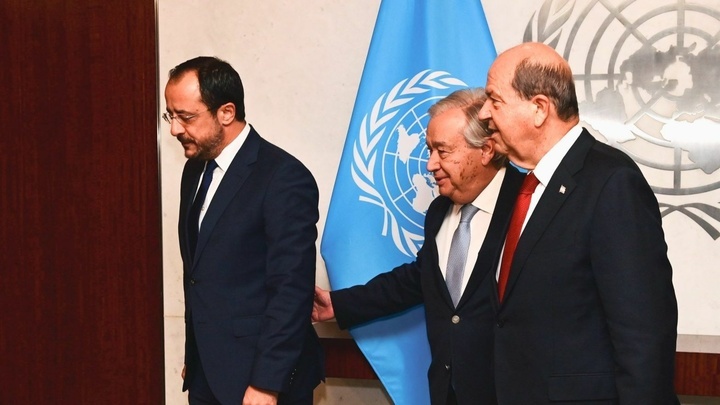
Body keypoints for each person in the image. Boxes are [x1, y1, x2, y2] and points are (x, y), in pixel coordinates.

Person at [477, 42, 679, 404]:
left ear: (539, 108)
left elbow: (644, 335)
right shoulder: (524, 187)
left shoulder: (612, 182)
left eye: (494, 100)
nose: (483, 113)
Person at [313, 88, 525, 404]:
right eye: (429, 150)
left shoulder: (530, 204)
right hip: (447, 392)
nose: (429, 164)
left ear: (486, 149)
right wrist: (339, 305)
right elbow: (419, 279)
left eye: (442, 151)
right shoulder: (439, 210)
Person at [164, 56, 323, 405]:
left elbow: (291, 290)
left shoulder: (283, 177)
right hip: (207, 376)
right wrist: (197, 358)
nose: (174, 129)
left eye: (186, 117)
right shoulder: (195, 170)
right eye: (170, 116)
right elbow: (200, 276)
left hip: (262, 381)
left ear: (226, 112)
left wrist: (267, 383)